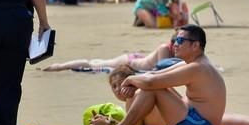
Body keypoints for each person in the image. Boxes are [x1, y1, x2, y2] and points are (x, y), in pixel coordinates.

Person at [99, 25, 227, 125]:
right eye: (175, 40)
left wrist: (130, 80)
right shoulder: (192, 64)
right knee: (154, 86)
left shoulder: (198, 68)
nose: (175, 44)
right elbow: (154, 75)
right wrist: (135, 81)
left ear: (195, 46)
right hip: (197, 124)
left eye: (180, 41)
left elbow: (150, 82)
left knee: (152, 89)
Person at [42, 35, 177, 72]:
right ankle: (59, 66)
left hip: (137, 61)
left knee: (99, 62)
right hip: (130, 63)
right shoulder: (165, 48)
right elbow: (162, 70)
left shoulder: (170, 49)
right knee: (91, 65)